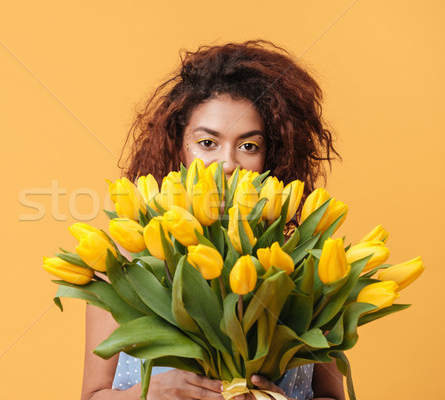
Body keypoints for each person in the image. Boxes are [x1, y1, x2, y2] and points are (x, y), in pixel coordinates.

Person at [81, 40, 345, 400]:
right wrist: (153, 394)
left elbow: (333, 396)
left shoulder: (302, 264)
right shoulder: (125, 259)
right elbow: (91, 396)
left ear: (271, 156)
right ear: (178, 146)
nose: (228, 163)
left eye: (248, 145)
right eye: (207, 143)